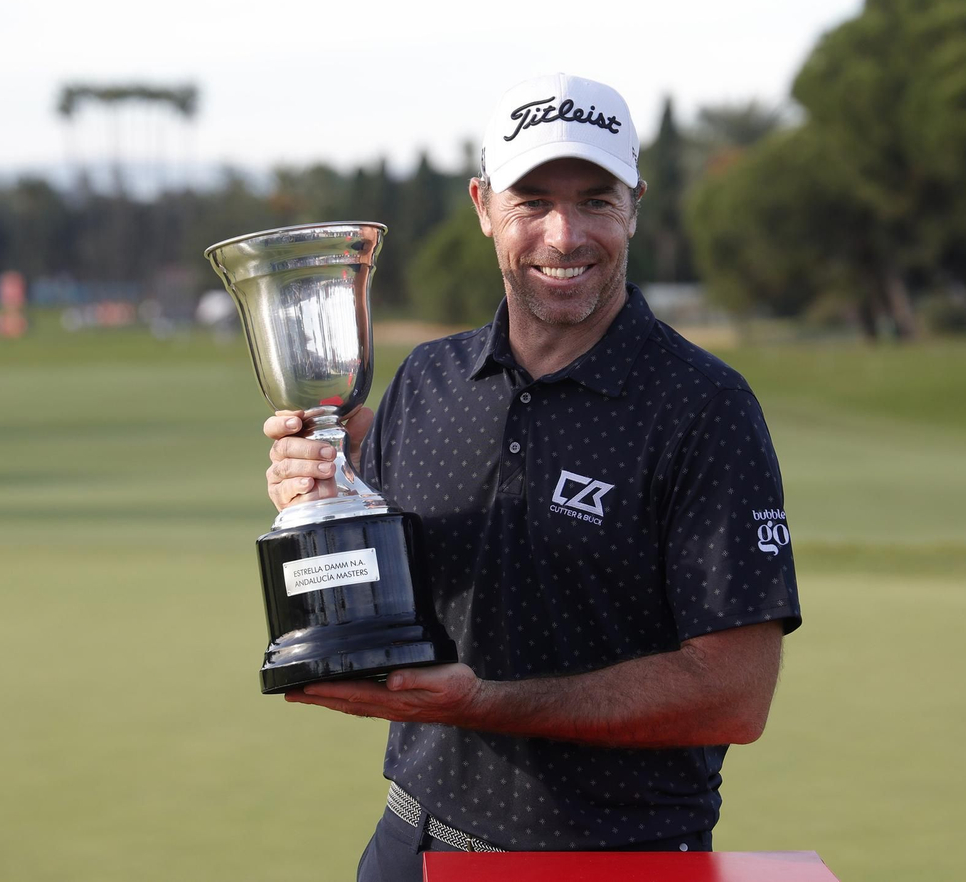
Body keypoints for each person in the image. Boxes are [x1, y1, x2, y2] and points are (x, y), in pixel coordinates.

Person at [262, 73, 801, 882]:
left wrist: (483, 701)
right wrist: (316, 495)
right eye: (532, 201)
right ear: (483, 206)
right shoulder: (425, 380)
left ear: (635, 205)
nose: (563, 234)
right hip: (412, 844)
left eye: (595, 199)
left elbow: (734, 693)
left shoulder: (703, 406)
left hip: (617, 863)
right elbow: (373, 601)